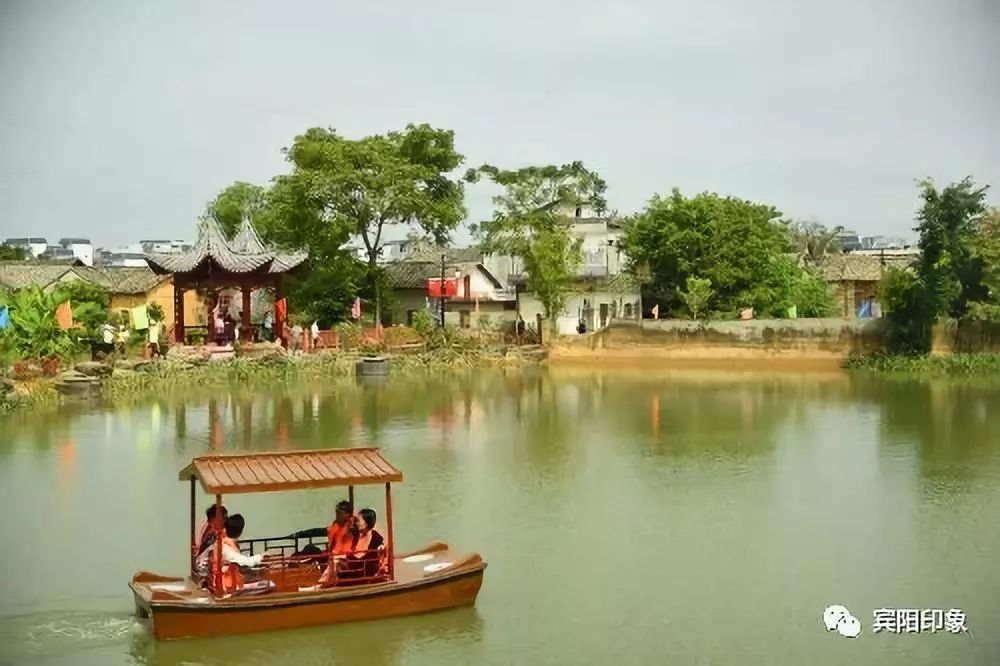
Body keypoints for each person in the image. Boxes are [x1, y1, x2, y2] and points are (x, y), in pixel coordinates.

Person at [196, 513, 271, 593]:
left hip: (212, 576)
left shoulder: (220, 543)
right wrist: (262, 556)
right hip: (217, 581)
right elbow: (246, 562)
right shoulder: (223, 548)